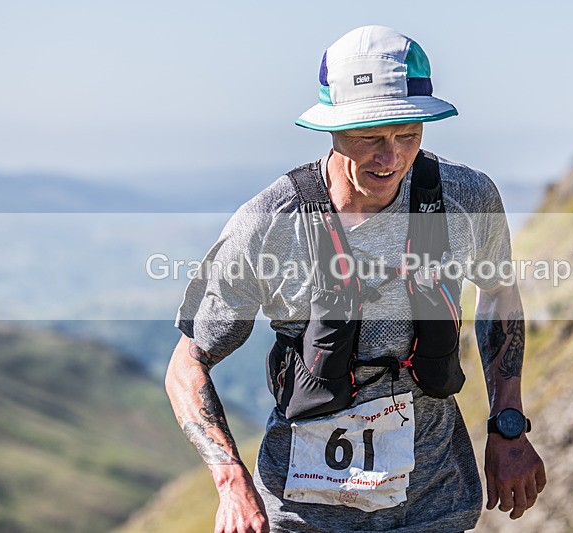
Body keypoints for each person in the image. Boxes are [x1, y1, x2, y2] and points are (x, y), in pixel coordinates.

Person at [165, 25, 546, 533]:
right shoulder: (270, 223)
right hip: (302, 513)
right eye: (370, 137)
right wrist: (232, 484)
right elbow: (187, 367)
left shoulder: (466, 198)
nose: (390, 158)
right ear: (332, 128)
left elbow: (499, 293)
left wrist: (508, 425)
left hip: (434, 501)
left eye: (408, 134)